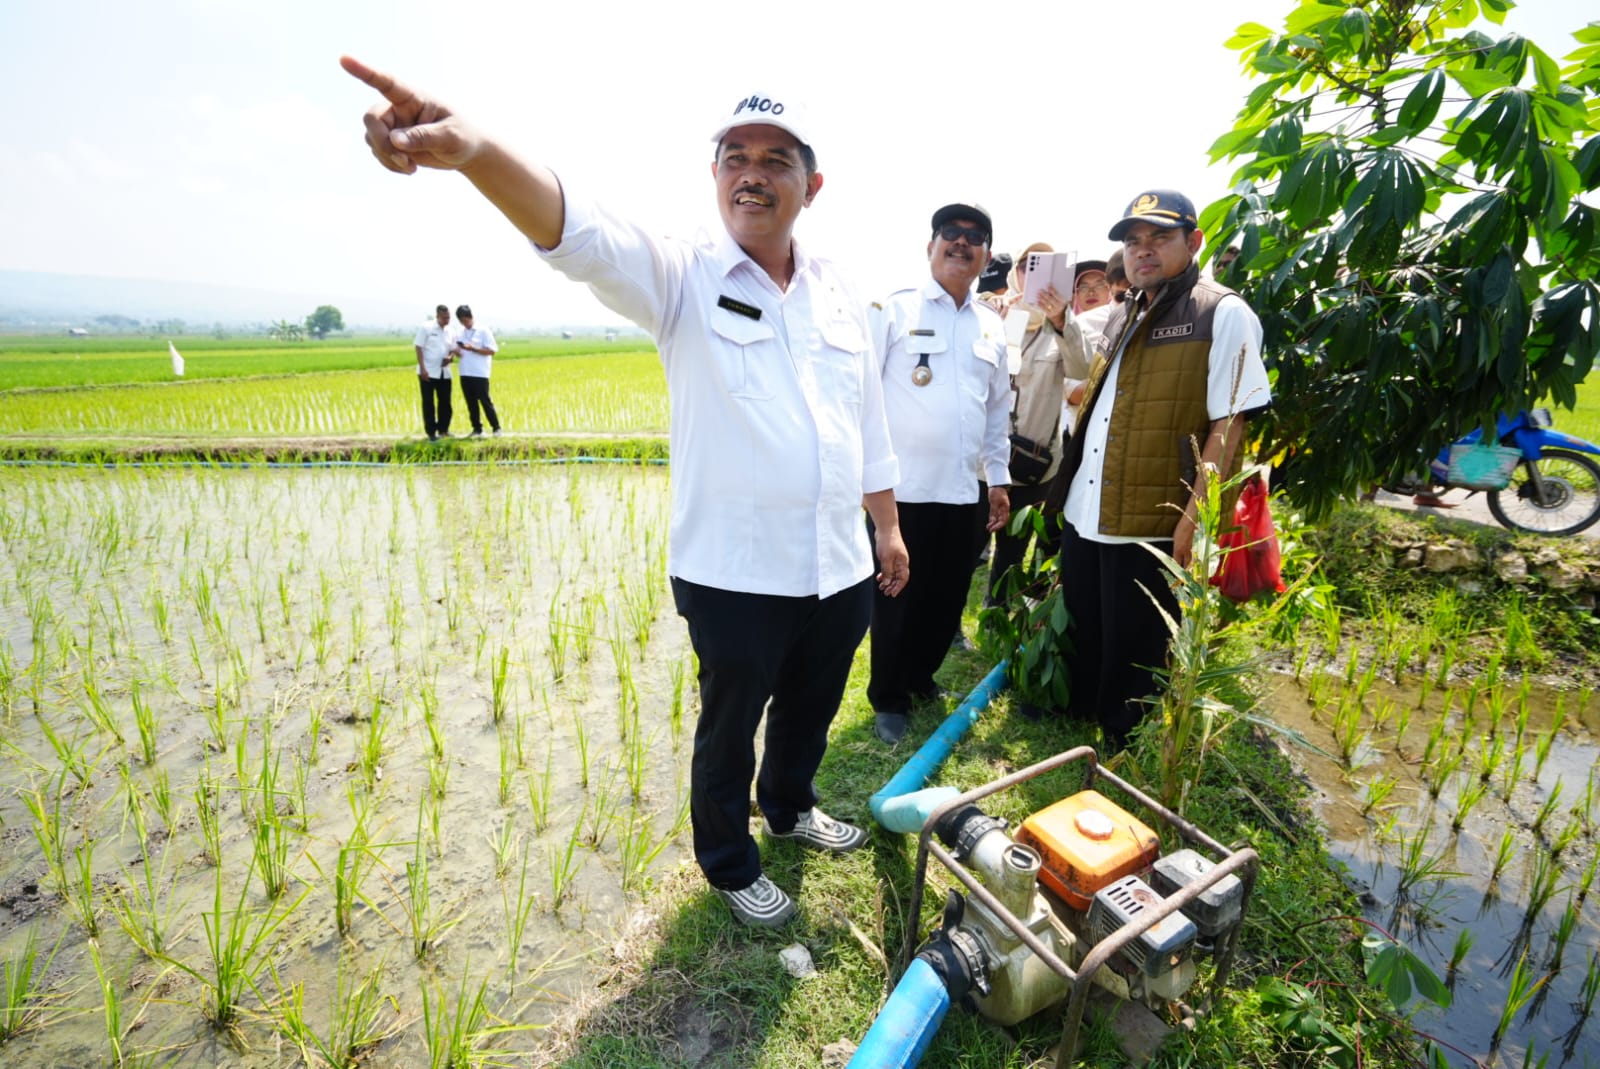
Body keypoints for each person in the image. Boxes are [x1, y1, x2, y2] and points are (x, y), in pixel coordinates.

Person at [343, 59, 909, 928]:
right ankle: (728, 859)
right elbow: (581, 230)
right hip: (735, 569)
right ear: (715, 173)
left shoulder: (839, 291)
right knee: (729, 725)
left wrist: (889, 528)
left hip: (836, 561)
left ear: (812, 183)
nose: (751, 172)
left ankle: (791, 806)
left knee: (813, 701)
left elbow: (866, 416)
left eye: (774, 157)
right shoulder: (683, 273)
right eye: (733, 155)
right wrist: (476, 150)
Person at [1045, 189, 1271, 749]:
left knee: (1138, 640)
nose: (1142, 251)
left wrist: (1192, 519)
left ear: (1193, 242)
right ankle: (1082, 721)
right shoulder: (1127, 310)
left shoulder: (1221, 312)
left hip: (1151, 516)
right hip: (1089, 507)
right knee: (1089, 622)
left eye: (1159, 238)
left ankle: (1125, 745)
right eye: (1133, 241)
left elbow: (1231, 424)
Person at [867, 203, 1011, 744]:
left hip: (963, 491)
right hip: (901, 492)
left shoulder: (992, 326)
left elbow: (997, 411)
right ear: (930, 245)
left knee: (947, 597)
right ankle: (888, 698)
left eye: (975, 237)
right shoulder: (894, 310)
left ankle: (921, 677)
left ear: (987, 256)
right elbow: (864, 399)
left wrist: (998, 479)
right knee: (896, 597)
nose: (961, 242)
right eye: (950, 233)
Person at [453, 304, 501, 437]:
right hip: (464, 372)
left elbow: (492, 351)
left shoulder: (483, 330)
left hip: (480, 373)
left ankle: (496, 428)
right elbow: (458, 349)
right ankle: (477, 429)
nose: (465, 324)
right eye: (462, 322)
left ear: (470, 317)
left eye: (466, 321)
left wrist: (473, 348)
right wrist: (456, 352)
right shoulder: (460, 332)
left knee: (485, 401)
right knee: (471, 403)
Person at [414, 304, 457, 440]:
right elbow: (419, 347)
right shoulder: (426, 327)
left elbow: (453, 349)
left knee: (445, 402)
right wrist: (423, 369)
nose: (447, 320)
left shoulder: (451, 330)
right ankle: (431, 432)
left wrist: (450, 358)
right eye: (444, 318)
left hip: (445, 372)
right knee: (428, 403)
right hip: (428, 371)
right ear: (437, 316)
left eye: (448, 318)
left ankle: (443, 430)